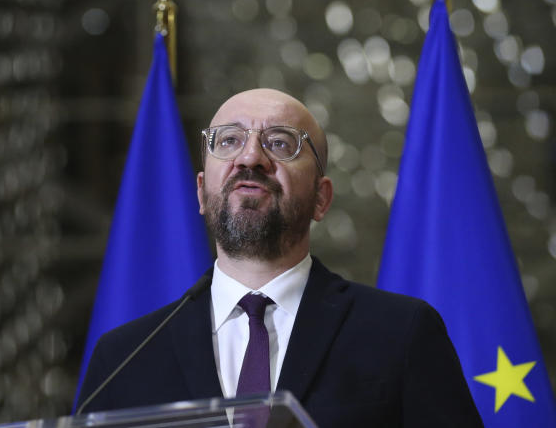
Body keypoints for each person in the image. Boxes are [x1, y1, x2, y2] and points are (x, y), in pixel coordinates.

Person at [76, 88, 483, 427]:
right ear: (201, 192)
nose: (250, 158)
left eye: (280, 143)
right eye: (229, 140)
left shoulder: (402, 333)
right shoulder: (124, 357)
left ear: (321, 198)